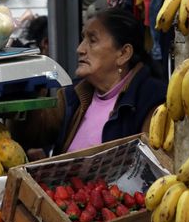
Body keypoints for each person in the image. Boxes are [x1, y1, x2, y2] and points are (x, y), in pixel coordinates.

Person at [14, 8, 166, 158]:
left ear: (123, 54)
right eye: (83, 39)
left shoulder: (152, 101)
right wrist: (26, 92)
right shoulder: (75, 93)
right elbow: (35, 135)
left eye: (92, 41)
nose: (80, 49)